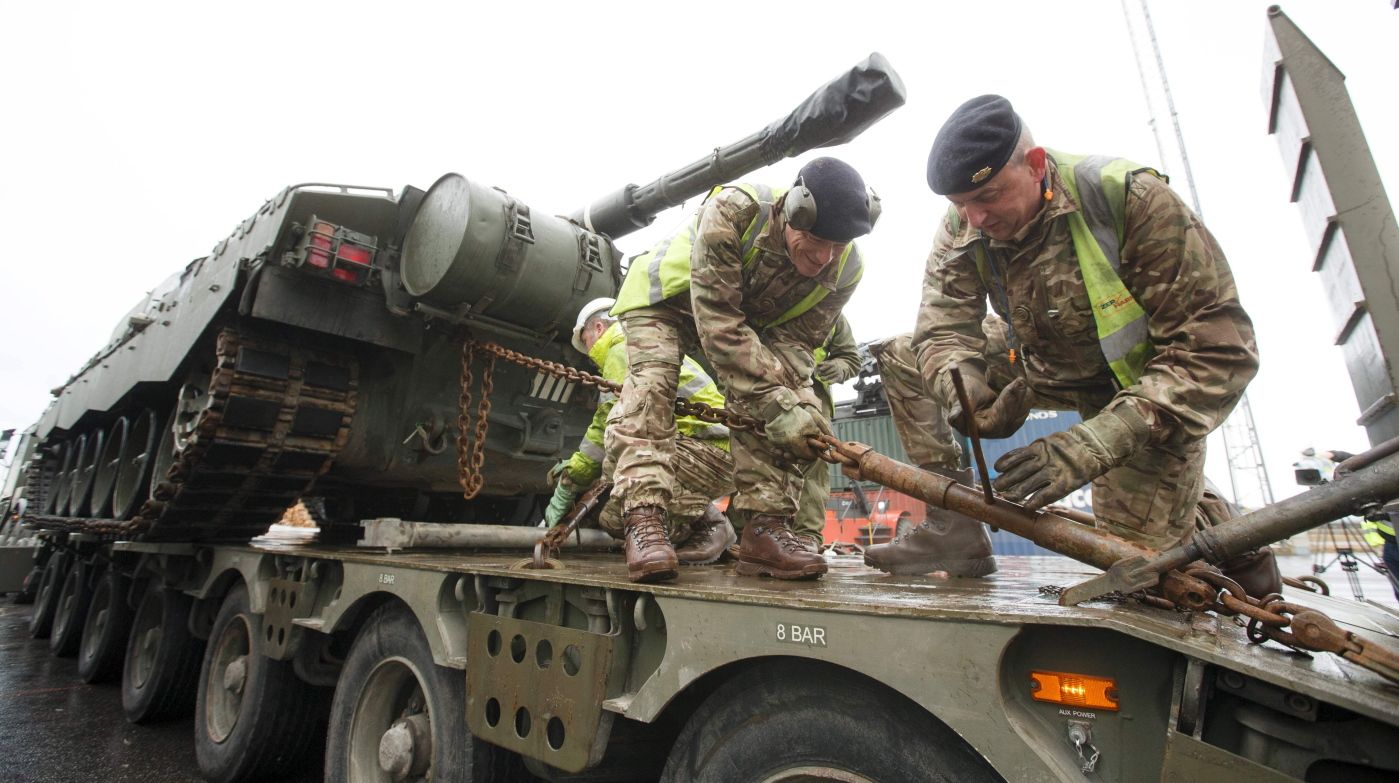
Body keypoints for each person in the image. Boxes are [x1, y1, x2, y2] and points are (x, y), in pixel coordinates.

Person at [872, 94, 1276, 592]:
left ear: (1036, 164)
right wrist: (963, 391)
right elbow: (942, 329)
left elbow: (1219, 352)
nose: (975, 218)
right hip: (1038, 362)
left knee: (1132, 568)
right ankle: (952, 527)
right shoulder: (964, 224)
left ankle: (1229, 536)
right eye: (961, 204)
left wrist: (1099, 441)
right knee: (902, 354)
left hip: (1137, 393)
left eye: (989, 196)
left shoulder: (1128, 200)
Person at [608, 156, 879, 581]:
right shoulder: (735, 212)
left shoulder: (848, 268)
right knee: (653, 385)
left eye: (838, 246)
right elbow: (719, 324)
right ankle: (645, 518)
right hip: (665, 302)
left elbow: (796, 343)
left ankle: (765, 530)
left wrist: (789, 402)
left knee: (791, 400)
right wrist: (775, 401)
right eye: (815, 240)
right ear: (793, 212)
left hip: (743, 325)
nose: (825, 257)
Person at [545, 298, 737, 581]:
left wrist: (571, 479)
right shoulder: (648, 342)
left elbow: (606, 430)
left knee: (619, 473)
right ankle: (697, 529)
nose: (589, 351)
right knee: (615, 514)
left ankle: (710, 524)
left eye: (586, 341)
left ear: (598, 328)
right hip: (717, 450)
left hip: (707, 449)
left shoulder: (620, 349)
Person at [793, 315, 861, 553]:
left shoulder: (833, 313)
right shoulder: (766, 297)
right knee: (756, 458)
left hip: (812, 397)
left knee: (813, 466)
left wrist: (840, 367)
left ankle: (806, 535)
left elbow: (851, 358)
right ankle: (745, 532)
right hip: (764, 389)